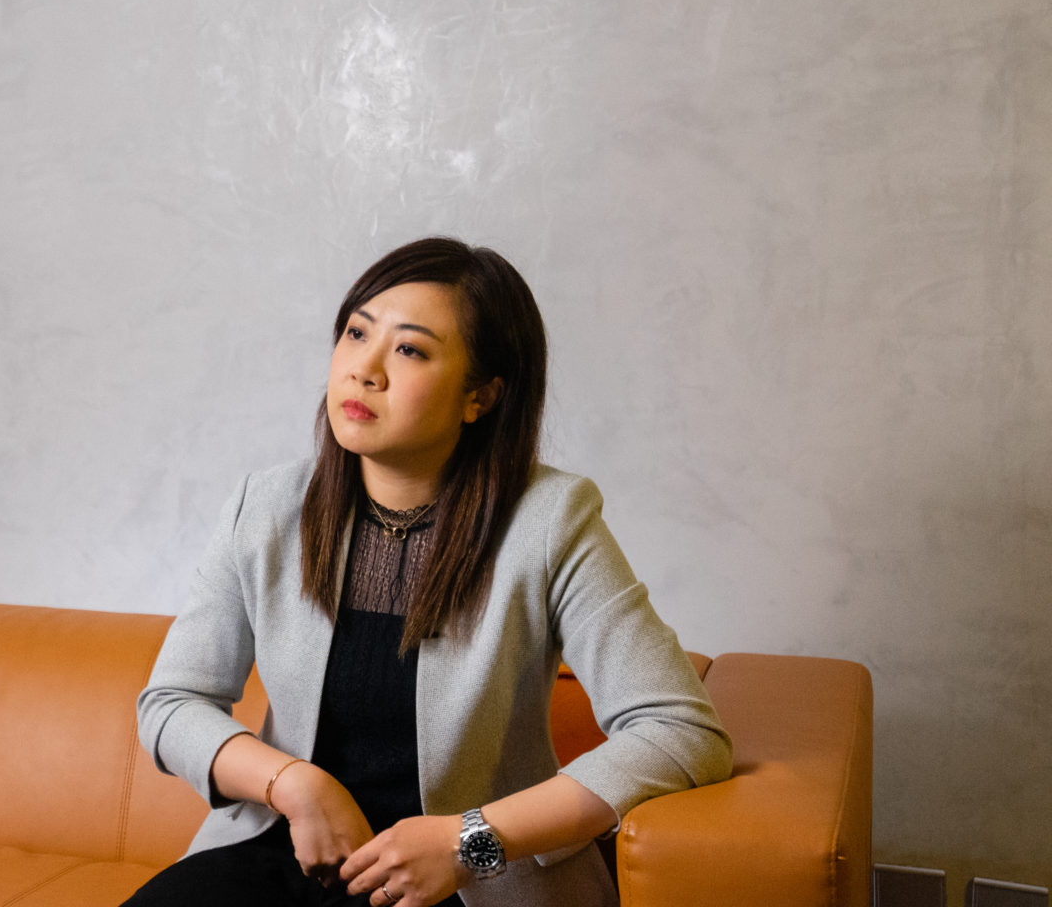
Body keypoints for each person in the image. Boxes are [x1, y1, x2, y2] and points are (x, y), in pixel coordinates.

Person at [124, 238, 732, 907]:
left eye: (410, 350)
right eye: (357, 333)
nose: (365, 370)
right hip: (290, 854)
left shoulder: (551, 521)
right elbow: (171, 705)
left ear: (480, 397)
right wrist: (292, 784)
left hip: (470, 884)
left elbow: (681, 732)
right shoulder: (265, 507)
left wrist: (468, 842)